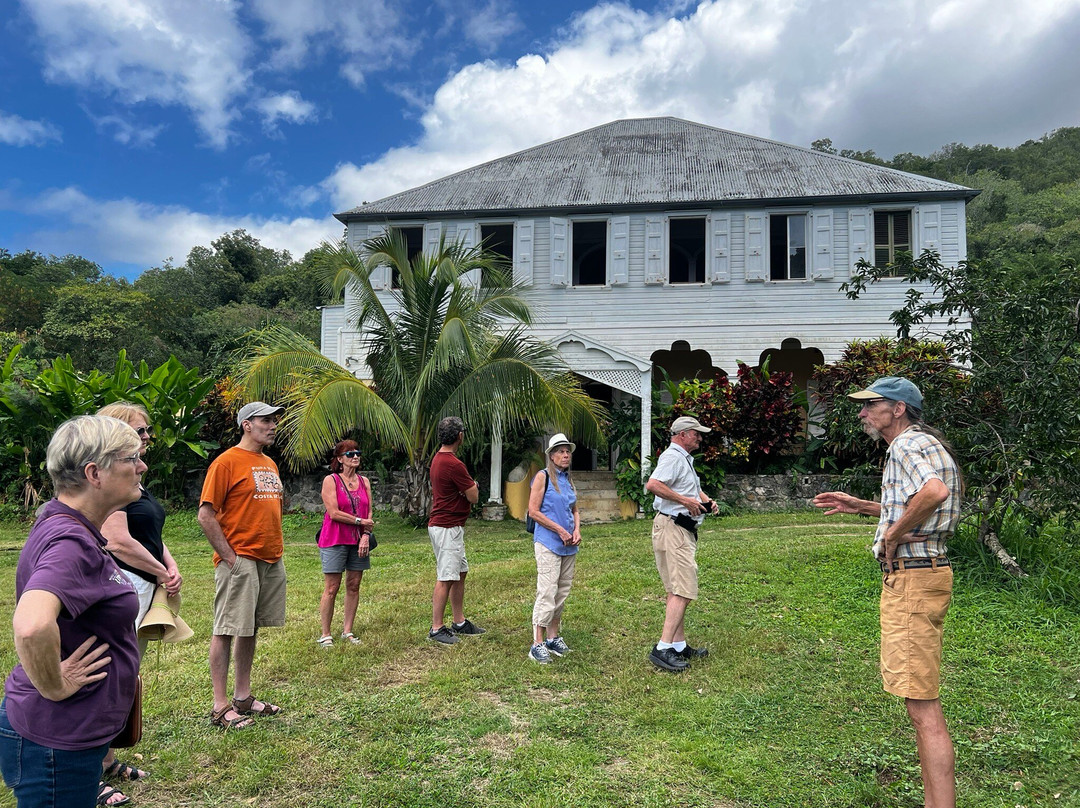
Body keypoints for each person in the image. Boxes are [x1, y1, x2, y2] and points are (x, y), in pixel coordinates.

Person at [813, 377, 962, 808]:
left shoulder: (904, 445)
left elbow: (934, 493)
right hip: (924, 574)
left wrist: (893, 534)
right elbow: (922, 498)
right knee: (919, 705)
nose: (862, 413)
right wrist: (864, 507)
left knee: (922, 709)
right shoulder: (926, 443)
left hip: (913, 578)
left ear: (897, 409)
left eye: (870, 405)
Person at [0, 416, 144, 808]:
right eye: (132, 457)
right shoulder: (71, 541)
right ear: (94, 473)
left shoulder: (63, 521)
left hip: (64, 734)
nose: (142, 466)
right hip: (55, 740)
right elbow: (31, 625)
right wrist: (54, 684)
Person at [93, 402, 184, 802]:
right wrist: (160, 571)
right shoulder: (110, 481)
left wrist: (168, 562)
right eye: (140, 432)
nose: (147, 438)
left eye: (147, 432)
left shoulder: (135, 478)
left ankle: (108, 759)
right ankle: (89, 772)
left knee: (126, 676)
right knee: (108, 678)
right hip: (121, 585)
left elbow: (148, 531)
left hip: (144, 584)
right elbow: (116, 540)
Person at [198, 401, 286, 731]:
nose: (273, 425)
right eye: (266, 420)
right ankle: (220, 706)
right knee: (226, 628)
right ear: (247, 425)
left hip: (270, 558)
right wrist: (231, 558)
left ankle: (243, 697)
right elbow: (206, 515)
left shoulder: (269, 463)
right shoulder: (226, 463)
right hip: (241, 559)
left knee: (250, 627)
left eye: (274, 420)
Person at [644, 416, 718, 672]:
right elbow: (653, 484)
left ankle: (678, 645)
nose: (700, 437)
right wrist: (685, 502)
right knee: (683, 590)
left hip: (677, 528)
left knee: (677, 588)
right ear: (683, 434)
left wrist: (706, 501)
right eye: (696, 433)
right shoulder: (673, 457)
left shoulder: (684, 459)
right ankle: (662, 648)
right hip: (673, 528)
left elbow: (691, 490)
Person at [427, 416, 484, 645]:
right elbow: (474, 496)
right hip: (447, 526)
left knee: (460, 572)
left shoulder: (438, 459)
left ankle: (459, 621)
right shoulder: (453, 463)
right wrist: (472, 488)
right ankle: (436, 628)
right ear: (460, 436)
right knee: (446, 576)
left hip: (448, 525)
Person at [526, 433, 582, 664]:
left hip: (569, 546)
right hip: (549, 542)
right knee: (547, 591)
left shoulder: (568, 479)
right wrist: (559, 530)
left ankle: (553, 636)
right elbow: (533, 511)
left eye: (567, 450)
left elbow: (575, 509)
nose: (565, 454)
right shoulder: (543, 477)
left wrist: (577, 530)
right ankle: (537, 643)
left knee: (561, 592)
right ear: (550, 455)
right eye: (560, 451)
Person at [317, 439, 375, 647]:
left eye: (357, 453)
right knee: (332, 587)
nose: (356, 457)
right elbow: (333, 513)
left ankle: (347, 631)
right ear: (340, 459)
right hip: (334, 539)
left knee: (354, 585)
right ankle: (326, 634)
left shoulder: (364, 481)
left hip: (359, 540)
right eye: (350, 454)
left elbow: (369, 511)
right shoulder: (331, 480)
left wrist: (366, 535)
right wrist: (360, 522)